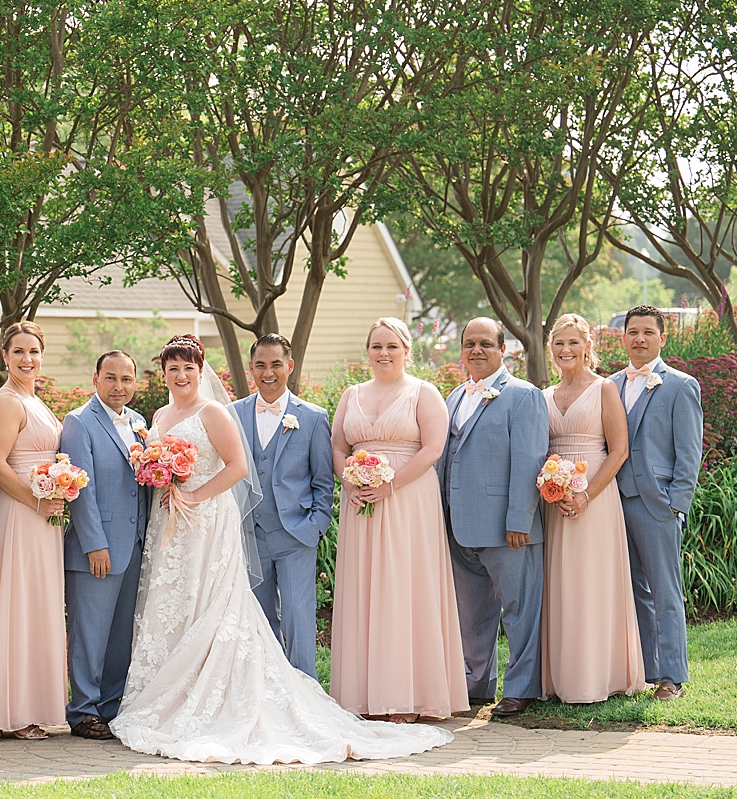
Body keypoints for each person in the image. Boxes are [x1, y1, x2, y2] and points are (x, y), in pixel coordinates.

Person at [108, 335, 453, 765]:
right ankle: (176, 694)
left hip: (262, 530)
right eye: (172, 368)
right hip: (191, 527)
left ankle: (298, 694)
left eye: (189, 368)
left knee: (291, 618)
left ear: (289, 365)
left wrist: (312, 527)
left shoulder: (298, 415)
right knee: (186, 609)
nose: (181, 376)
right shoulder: (177, 415)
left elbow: (308, 474)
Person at [330, 319, 468, 721]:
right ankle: (363, 695)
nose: (384, 353)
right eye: (376, 346)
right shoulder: (350, 395)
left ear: (407, 350)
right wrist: (350, 480)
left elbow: (433, 449)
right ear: (367, 351)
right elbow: (338, 446)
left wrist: (391, 485)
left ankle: (409, 694)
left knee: (405, 586)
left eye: (392, 346)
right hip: (361, 503)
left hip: (408, 501)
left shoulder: (423, 393)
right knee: (365, 589)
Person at [0, 322, 68, 740]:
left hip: (45, 514)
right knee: (17, 605)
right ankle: (11, 711)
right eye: (19, 352)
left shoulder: (33, 399)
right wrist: (37, 500)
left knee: (38, 605)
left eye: (34, 352)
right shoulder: (6, 402)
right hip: (21, 512)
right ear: (5, 356)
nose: (28, 360)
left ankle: (31, 706)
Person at [437, 318, 548, 717]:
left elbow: (530, 459)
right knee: (472, 614)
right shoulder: (452, 397)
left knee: (518, 610)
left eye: (486, 343)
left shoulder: (523, 396)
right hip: (459, 525)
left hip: (508, 527)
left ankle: (522, 688)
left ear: (503, 349)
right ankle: (476, 683)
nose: (477, 350)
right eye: (469, 344)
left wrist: (520, 518)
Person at [542, 315, 648, 703]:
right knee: (562, 585)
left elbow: (618, 450)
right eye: (559, 343)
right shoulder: (544, 395)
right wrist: (552, 488)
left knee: (593, 584)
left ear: (588, 346)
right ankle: (563, 678)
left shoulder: (604, 389)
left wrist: (586, 495)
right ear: (550, 348)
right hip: (555, 501)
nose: (566, 350)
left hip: (596, 499)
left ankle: (600, 677)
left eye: (573, 343)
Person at [609, 305, 704, 700]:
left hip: (656, 504)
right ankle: (647, 670)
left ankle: (672, 677)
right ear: (624, 337)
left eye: (648, 332)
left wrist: (675, 504)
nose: (640, 339)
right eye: (633, 332)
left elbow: (690, 453)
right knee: (634, 592)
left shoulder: (681, 386)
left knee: (665, 590)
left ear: (663, 338)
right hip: (613, 503)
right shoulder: (610, 385)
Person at [229, 334, 333, 679]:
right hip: (249, 536)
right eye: (261, 365)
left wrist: (315, 526)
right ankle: (268, 693)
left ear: (289, 366)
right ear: (251, 369)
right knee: (258, 618)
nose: (268, 372)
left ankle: (306, 693)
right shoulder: (234, 414)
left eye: (276, 364)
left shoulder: (314, 418)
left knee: (299, 618)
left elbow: (323, 480)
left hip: (296, 535)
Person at [59, 350, 151, 740]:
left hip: (135, 543)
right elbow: (82, 488)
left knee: (120, 635)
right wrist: (94, 544)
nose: (119, 386)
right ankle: (82, 710)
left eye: (126, 379)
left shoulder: (140, 422)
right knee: (89, 632)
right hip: (97, 547)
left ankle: (111, 707)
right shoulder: (79, 422)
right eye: (110, 378)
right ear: (95, 378)